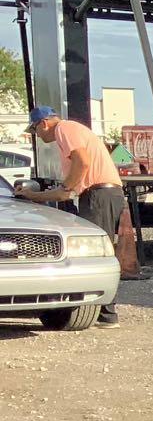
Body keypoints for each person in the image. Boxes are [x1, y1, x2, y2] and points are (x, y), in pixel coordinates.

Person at [16, 105, 126, 325]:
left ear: (44, 123)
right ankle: (104, 311)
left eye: (35, 130)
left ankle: (106, 314)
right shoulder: (72, 131)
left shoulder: (64, 129)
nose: (37, 136)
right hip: (101, 193)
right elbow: (65, 194)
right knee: (99, 249)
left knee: (95, 253)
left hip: (99, 194)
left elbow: (82, 162)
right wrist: (32, 196)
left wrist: (66, 187)